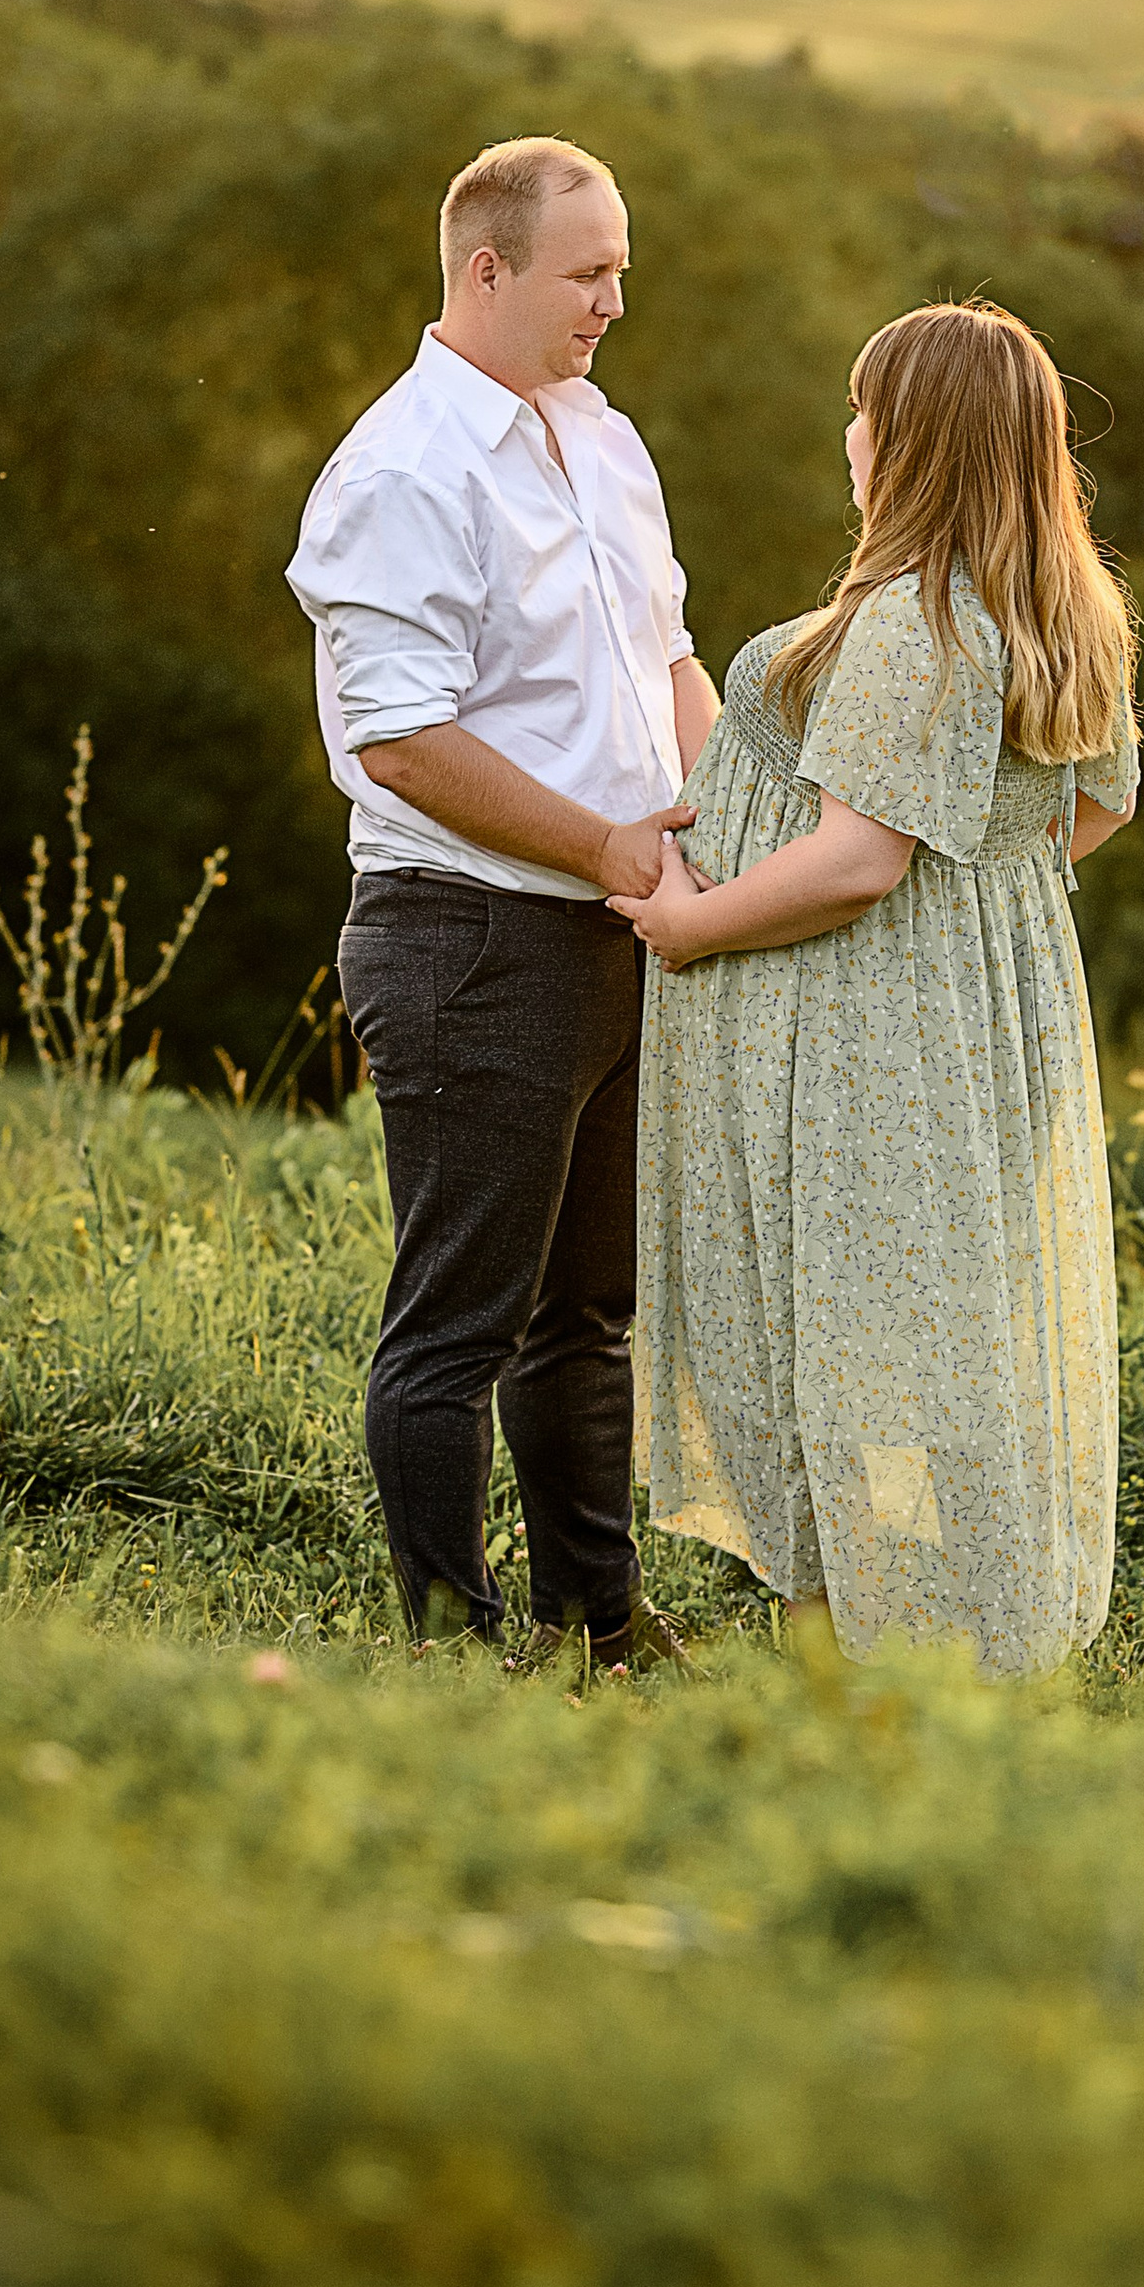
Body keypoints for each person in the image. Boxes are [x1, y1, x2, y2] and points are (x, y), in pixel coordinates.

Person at [612, 299, 1139, 1676]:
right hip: (980, 1027)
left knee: (841, 1354)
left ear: (913, 440)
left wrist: (693, 922)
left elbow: (857, 856)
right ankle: (968, 1659)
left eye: (866, 410)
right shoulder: (1059, 609)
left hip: (874, 1039)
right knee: (950, 1344)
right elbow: (1091, 813)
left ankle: (850, 1667)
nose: (847, 434)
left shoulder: (913, 624)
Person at [287, 136, 717, 1671]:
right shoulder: (403, 467)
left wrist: (722, 830)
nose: (615, 298)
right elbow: (398, 736)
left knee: (584, 1312)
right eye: (587, 271)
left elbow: (668, 659)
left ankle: (597, 1620)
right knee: (460, 1321)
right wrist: (609, 844)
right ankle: (451, 1648)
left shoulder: (601, 437)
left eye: (620, 267)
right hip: (469, 933)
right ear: (487, 269)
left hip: (614, 928)